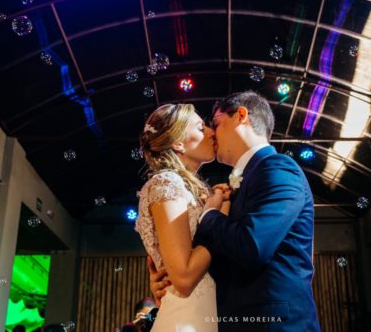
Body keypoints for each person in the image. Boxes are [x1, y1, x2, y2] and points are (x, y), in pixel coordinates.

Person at [150, 91, 321, 331]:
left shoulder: (278, 168)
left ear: (241, 115)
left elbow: (252, 245)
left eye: (216, 123)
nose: (212, 133)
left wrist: (210, 215)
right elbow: (222, 253)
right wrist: (168, 278)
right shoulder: (236, 185)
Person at [135, 103, 230, 331]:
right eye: (200, 128)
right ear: (178, 143)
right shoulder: (166, 183)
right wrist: (217, 215)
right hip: (186, 320)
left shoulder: (193, 191)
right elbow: (185, 278)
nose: (211, 132)